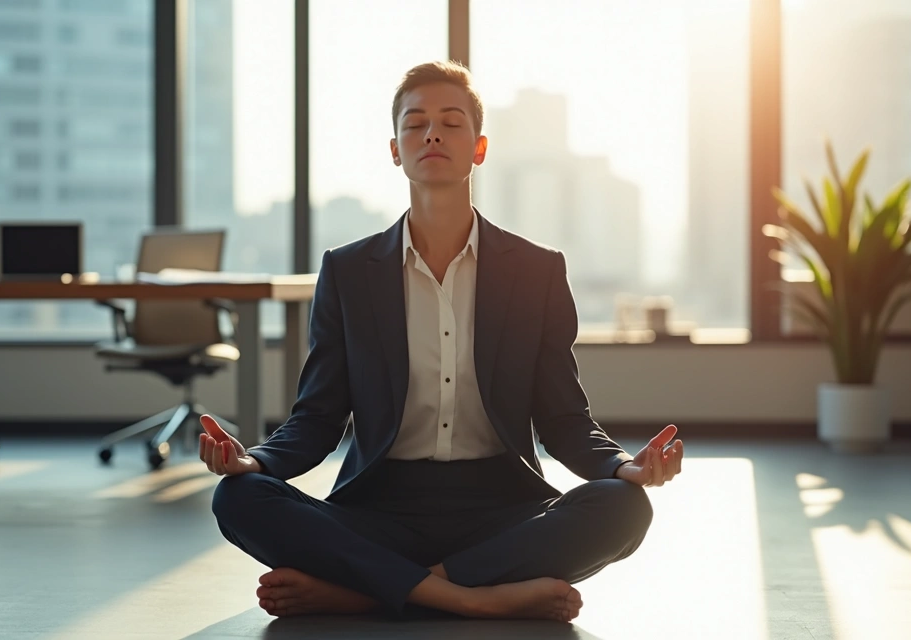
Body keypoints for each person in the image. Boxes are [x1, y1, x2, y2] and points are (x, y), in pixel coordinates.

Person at [198, 60, 685, 623]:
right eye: (416, 123)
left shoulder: (537, 270)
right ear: (395, 150)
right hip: (378, 508)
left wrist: (625, 466)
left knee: (624, 507)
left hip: (502, 508)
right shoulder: (349, 271)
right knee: (237, 498)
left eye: (451, 123)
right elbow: (317, 418)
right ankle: (471, 596)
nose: (432, 133)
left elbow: (564, 419)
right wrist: (252, 460)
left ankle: (365, 592)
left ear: (479, 149)